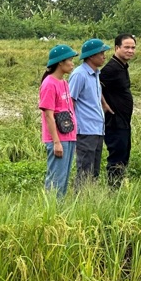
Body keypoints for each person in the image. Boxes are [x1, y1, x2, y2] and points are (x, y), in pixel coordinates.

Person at [69, 38, 112, 188]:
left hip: (97, 128)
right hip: (85, 130)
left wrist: (105, 105)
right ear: (91, 56)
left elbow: (96, 96)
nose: (104, 56)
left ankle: (90, 199)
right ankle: (79, 200)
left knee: (94, 170)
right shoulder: (79, 75)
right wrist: (71, 128)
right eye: (101, 53)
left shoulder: (95, 74)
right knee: (84, 169)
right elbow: (70, 102)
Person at [39, 45, 80, 198]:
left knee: (63, 179)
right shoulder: (49, 84)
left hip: (68, 136)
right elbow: (48, 115)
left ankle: (59, 212)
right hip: (58, 138)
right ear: (60, 63)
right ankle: (51, 213)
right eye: (70, 60)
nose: (72, 63)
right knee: (56, 179)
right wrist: (56, 142)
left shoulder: (63, 82)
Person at [100, 33, 137, 188]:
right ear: (116, 48)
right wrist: (103, 104)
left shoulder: (122, 66)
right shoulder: (111, 68)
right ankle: (113, 189)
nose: (130, 50)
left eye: (133, 47)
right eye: (126, 47)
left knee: (124, 155)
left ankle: (118, 187)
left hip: (123, 120)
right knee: (117, 157)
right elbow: (94, 85)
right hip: (114, 121)